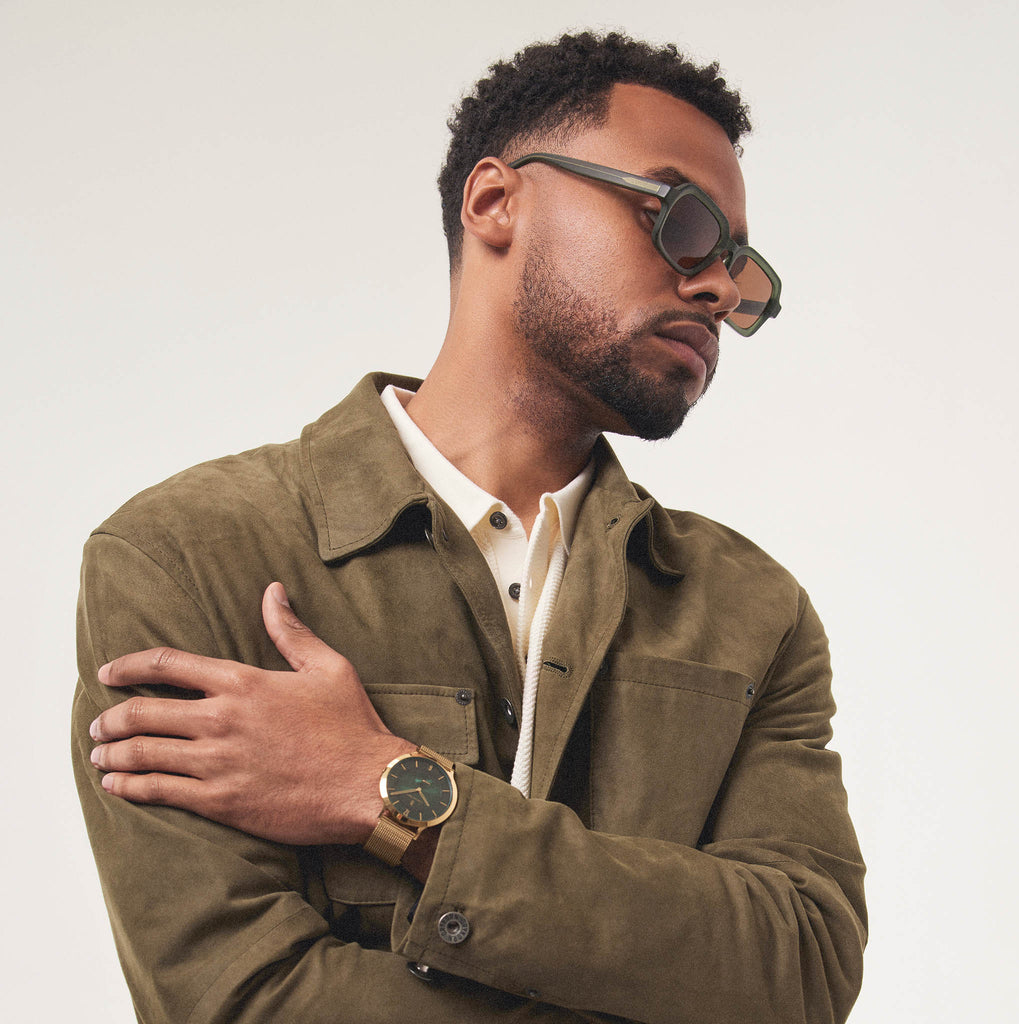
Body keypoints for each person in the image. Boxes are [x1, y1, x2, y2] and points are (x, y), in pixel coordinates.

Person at [73, 31, 866, 1024]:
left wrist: (392, 792)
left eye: (738, 268)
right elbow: (237, 1000)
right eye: (684, 223)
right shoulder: (189, 557)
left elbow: (800, 972)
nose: (713, 286)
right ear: (497, 202)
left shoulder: (751, 613)